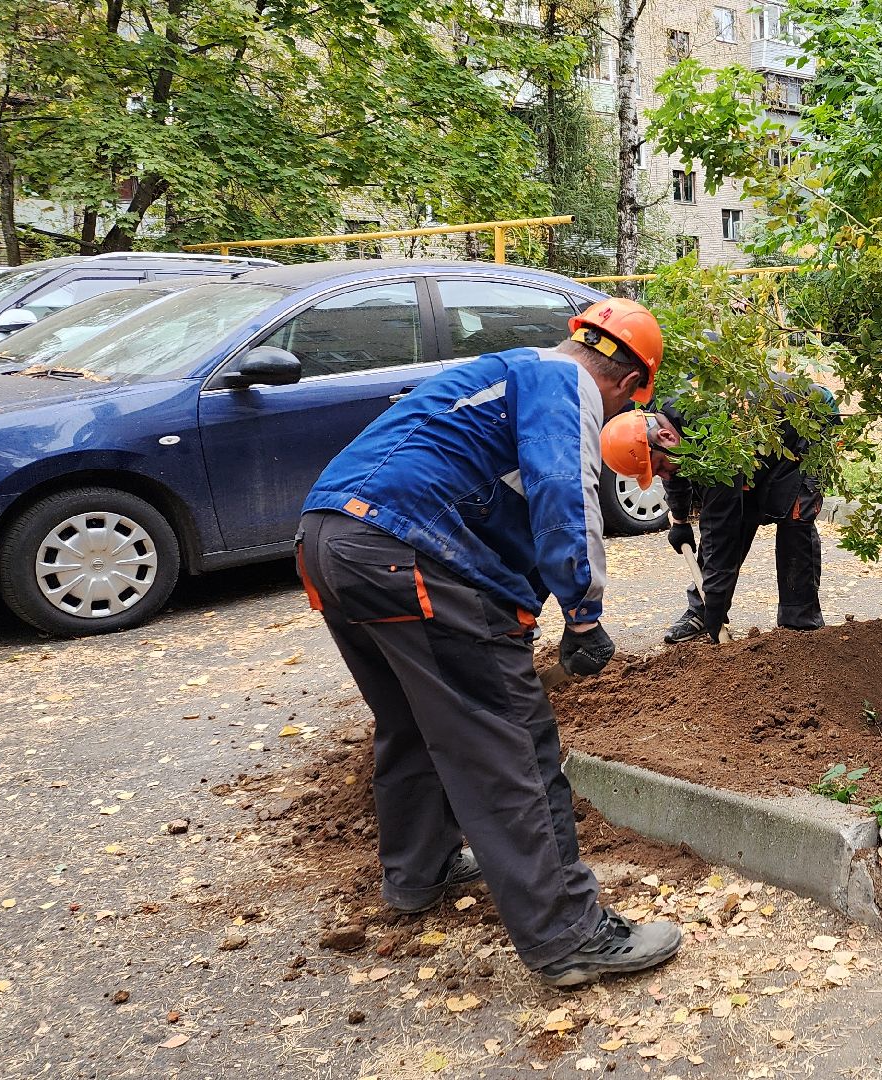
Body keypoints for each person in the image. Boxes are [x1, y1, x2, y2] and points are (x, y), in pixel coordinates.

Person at [293, 297, 684, 989]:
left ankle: (420, 872)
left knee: (412, 726)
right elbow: (565, 494)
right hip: (408, 554)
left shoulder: (502, 372)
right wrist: (585, 614)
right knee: (514, 747)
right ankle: (570, 933)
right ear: (630, 386)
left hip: (330, 540)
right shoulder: (566, 386)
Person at [658, 378, 839, 644]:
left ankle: (800, 624)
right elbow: (675, 473)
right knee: (739, 512)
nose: (662, 473)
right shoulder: (661, 424)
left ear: (665, 437)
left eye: (659, 465)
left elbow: (719, 525)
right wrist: (680, 519)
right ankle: (702, 609)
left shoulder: (714, 434)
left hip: (809, 423)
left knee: (794, 518)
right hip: (759, 441)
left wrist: (716, 594)